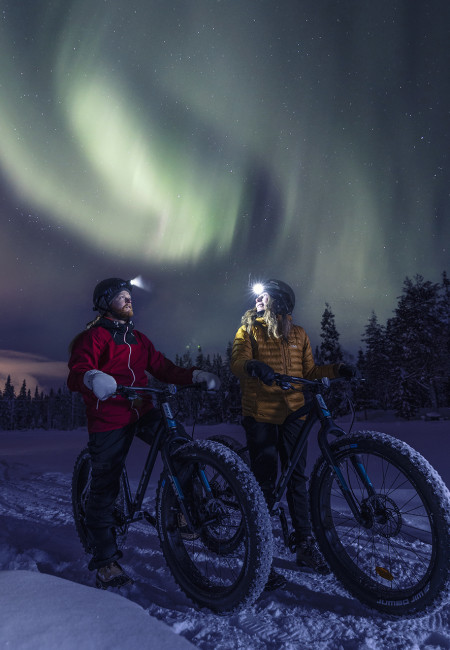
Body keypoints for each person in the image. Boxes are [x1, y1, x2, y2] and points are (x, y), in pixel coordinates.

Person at [68, 277, 220, 589]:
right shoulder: (94, 337)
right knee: (105, 484)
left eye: (129, 296)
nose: (128, 300)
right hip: (109, 416)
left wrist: (195, 375)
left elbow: (164, 368)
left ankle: (184, 513)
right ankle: (105, 561)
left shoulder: (138, 339)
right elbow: (77, 372)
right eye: (121, 296)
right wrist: (93, 378)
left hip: (142, 409)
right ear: (105, 304)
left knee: (181, 446)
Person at [230, 279, 355, 590]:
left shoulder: (299, 334)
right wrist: (254, 366)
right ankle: (260, 555)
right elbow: (237, 361)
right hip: (261, 413)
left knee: (297, 478)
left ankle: (304, 545)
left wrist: (337, 369)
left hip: (294, 412)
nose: (258, 300)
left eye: (264, 296)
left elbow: (309, 372)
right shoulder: (249, 329)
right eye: (257, 297)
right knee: (264, 482)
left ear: (280, 301)